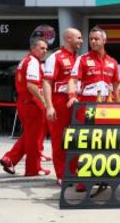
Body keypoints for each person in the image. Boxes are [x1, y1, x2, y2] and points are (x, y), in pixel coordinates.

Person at [67, 27, 120, 191]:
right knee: (87, 142)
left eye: (96, 39)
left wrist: (117, 101)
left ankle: (104, 175)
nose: (93, 41)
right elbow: (73, 80)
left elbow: (116, 83)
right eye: (91, 39)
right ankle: (83, 179)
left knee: (105, 142)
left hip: (107, 106)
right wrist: (72, 96)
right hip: (87, 104)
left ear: (104, 40)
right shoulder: (82, 59)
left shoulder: (113, 61)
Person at [0, 38, 50, 176]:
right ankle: (33, 169)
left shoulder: (25, 61)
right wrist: (45, 102)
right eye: (42, 48)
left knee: (30, 135)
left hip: (25, 103)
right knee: (34, 138)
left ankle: (9, 159)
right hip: (32, 103)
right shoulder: (33, 62)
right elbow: (32, 85)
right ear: (33, 48)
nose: (45, 51)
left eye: (46, 48)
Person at [43, 28, 83, 185]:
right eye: (78, 38)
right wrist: (49, 106)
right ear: (68, 38)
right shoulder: (55, 58)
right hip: (59, 101)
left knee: (76, 139)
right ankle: (61, 174)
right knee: (60, 139)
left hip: (76, 101)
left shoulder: (79, 58)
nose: (81, 40)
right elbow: (46, 82)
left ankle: (74, 171)